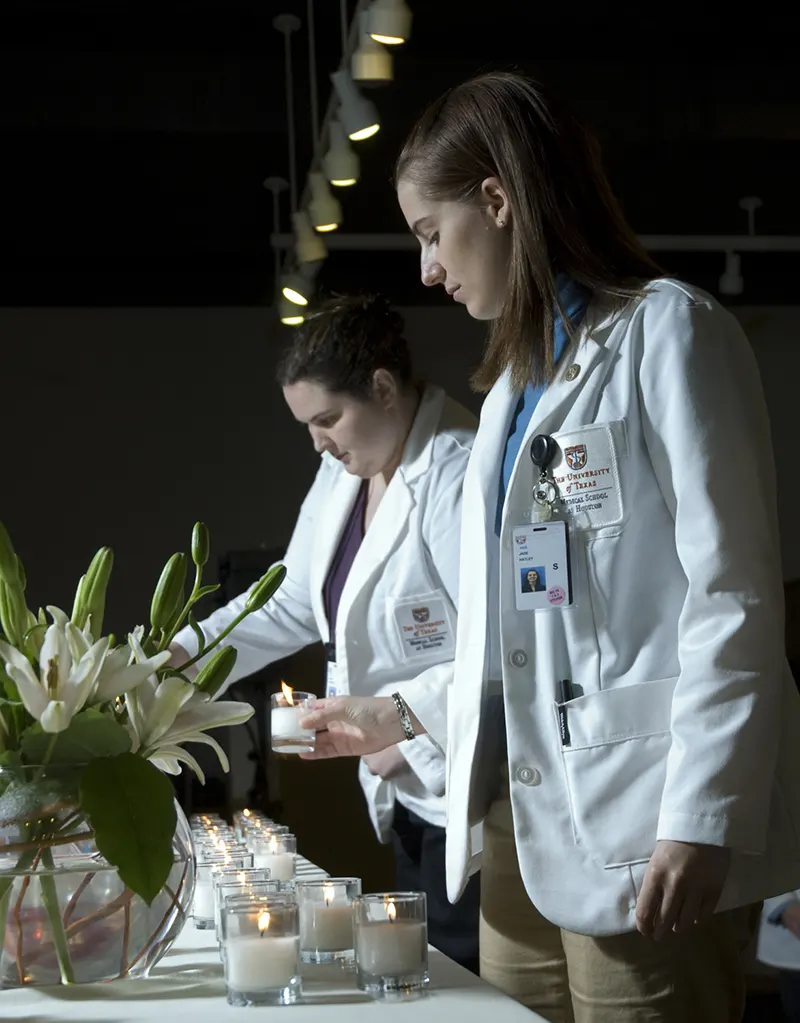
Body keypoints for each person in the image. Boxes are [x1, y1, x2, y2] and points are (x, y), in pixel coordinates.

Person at [298, 72, 800, 1023]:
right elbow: (507, 640)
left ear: (498, 199)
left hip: (641, 821)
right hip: (518, 831)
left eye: (429, 232)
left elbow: (733, 596)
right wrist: (396, 713)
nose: (428, 270)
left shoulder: (669, 331)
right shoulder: (508, 399)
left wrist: (702, 816)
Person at [169, 293, 481, 973]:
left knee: (467, 978)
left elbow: (498, 652)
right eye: (308, 424)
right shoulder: (343, 473)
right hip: (401, 788)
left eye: (329, 418)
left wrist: (405, 729)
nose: (318, 441)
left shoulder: (462, 469)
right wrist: (177, 658)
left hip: (469, 787)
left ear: (383, 386)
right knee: (428, 973)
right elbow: (286, 607)